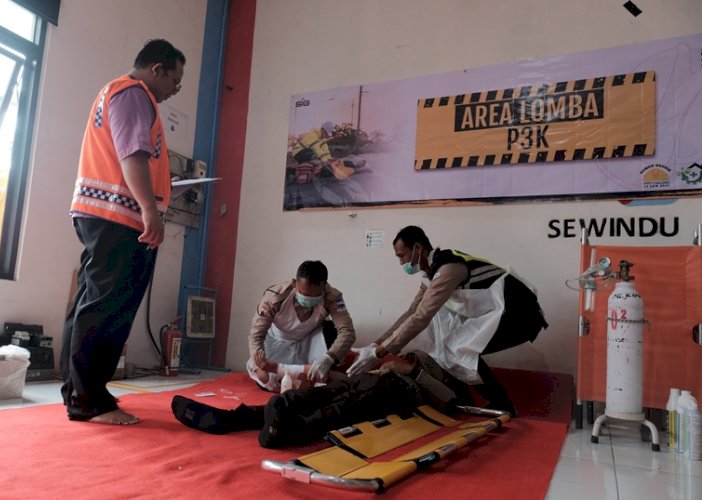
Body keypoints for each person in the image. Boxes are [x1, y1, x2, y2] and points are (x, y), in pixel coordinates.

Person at [60, 39, 185, 425]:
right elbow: (132, 155)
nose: (175, 90)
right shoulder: (135, 94)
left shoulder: (117, 92)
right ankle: (87, 400)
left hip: (104, 214)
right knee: (107, 308)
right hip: (118, 218)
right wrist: (150, 209)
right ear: (157, 70)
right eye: (174, 81)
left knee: (92, 302)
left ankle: (82, 390)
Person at [346, 226, 548, 416]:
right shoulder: (431, 275)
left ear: (418, 248)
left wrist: (379, 353)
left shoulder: (449, 268)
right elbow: (411, 312)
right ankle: (469, 400)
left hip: (522, 316)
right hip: (501, 315)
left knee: (457, 347)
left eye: (402, 256)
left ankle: (502, 405)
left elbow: (421, 317)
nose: (401, 263)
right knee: (448, 349)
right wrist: (376, 344)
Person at [172, 349, 474, 448]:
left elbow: (451, 402)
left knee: (340, 410)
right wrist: (334, 376)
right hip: (368, 381)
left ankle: (286, 432)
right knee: (311, 396)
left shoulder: (446, 377)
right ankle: (228, 419)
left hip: (398, 392)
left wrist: (409, 369)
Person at [247, 260, 356, 392]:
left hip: (308, 340)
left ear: (324, 287)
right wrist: (260, 365)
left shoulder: (333, 297)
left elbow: (347, 332)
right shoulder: (275, 297)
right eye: (303, 294)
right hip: (276, 342)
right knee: (265, 378)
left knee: (331, 331)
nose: (308, 299)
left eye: (315, 296)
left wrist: (329, 357)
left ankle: (321, 375)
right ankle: (314, 377)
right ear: (295, 283)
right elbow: (256, 335)